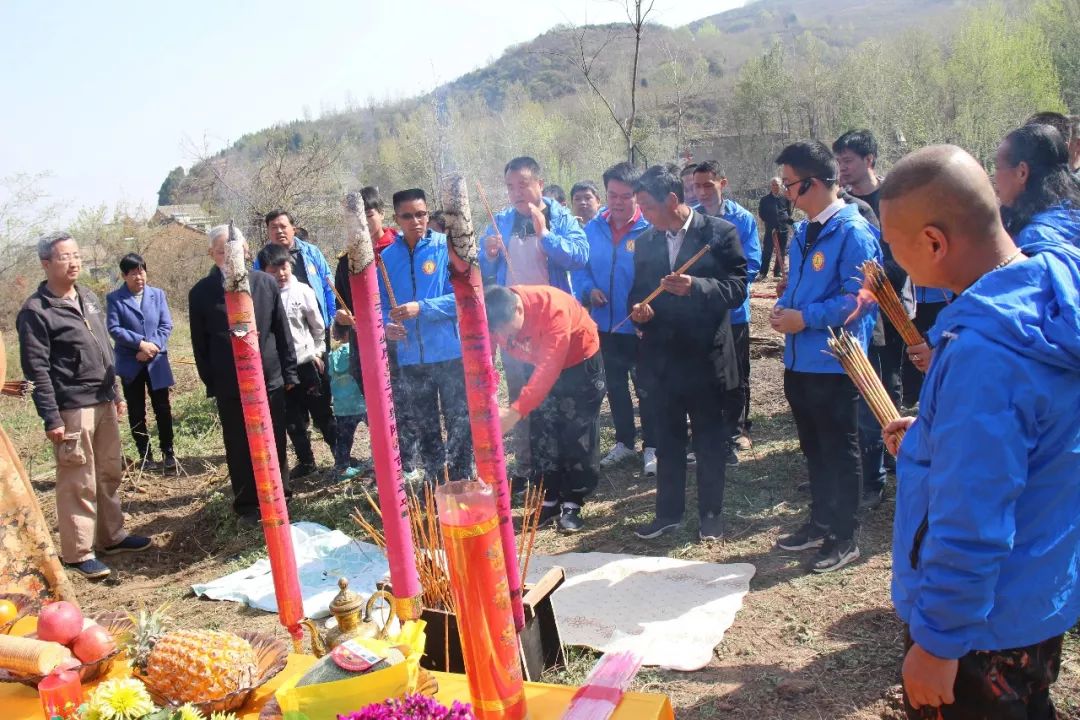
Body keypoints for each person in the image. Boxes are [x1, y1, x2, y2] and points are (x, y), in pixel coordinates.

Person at [879, 144, 1080, 719]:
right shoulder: (1046, 293)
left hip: (979, 630)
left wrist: (938, 643)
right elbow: (1031, 442)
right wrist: (935, 432)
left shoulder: (986, 353)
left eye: (895, 246)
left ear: (934, 242)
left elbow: (973, 519)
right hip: (1035, 596)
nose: (895, 262)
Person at [770, 141, 881, 573]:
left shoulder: (853, 232)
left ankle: (844, 536)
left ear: (812, 183)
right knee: (814, 448)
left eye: (791, 185)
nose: (787, 194)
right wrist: (787, 306)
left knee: (840, 451)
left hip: (836, 362)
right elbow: (806, 287)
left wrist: (806, 317)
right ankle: (819, 521)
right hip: (800, 361)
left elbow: (862, 299)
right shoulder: (804, 232)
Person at [17, 231, 152, 579]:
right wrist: (51, 417)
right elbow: (37, 369)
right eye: (65, 257)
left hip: (104, 398)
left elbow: (104, 349)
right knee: (79, 478)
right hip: (72, 406)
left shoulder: (87, 297)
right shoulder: (36, 311)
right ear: (46, 263)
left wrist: (117, 394)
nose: (74, 261)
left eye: (76, 254)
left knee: (108, 472)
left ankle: (112, 536)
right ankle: (78, 551)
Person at [628, 165, 747, 543]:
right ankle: (668, 513)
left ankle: (711, 514)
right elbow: (638, 291)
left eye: (647, 206)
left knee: (710, 439)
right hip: (663, 359)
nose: (643, 214)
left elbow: (738, 288)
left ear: (673, 200)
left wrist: (696, 286)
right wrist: (641, 312)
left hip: (706, 356)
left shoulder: (719, 233)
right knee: (667, 438)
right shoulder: (646, 242)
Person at [480, 156, 589, 490]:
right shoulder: (500, 221)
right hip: (513, 329)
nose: (517, 192)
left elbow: (580, 256)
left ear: (540, 184)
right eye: (510, 186)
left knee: (559, 397)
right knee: (521, 396)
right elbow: (482, 268)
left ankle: (567, 468)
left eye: (523, 184)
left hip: (553, 325)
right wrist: (490, 253)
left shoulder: (559, 217)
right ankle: (529, 469)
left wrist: (546, 235)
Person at [189, 225, 299, 526]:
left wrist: (289, 371)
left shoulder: (264, 283)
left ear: (247, 251)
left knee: (274, 436)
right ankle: (247, 503)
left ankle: (280, 494)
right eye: (223, 251)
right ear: (213, 253)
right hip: (230, 382)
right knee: (238, 443)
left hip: (269, 375)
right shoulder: (201, 293)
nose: (230, 256)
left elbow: (281, 331)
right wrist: (212, 382)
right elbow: (200, 345)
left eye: (236, 250)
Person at [486, 284, 605, 532]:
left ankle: (573, 501)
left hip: (577, 362)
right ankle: (549, 499)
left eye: (509, 332)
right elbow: (486, 352)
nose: (507, 338)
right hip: (537, 361)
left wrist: (515, 412)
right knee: (542, 431)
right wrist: (488, 392)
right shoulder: (494, 313)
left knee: (576, 431)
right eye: (500, 332)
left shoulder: (553, 309)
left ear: (519, 309)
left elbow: (550, 366)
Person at [833, 129, 911, 508]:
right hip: (856, 314)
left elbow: (903, 259)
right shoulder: (840, 203)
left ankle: (887, 465)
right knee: (860, 391)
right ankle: (868, 467)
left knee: (887, 384)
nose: (842, 168)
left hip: (891, 308)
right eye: (839, 162)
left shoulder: (891, 200)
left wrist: (876, 276)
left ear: (869, 160)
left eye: (848, 160)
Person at [380, 188, 473, 484]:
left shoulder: (445, 248)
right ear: (396, 218)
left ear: (428, 212)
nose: (415, 221)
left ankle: (462, 479)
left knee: (459, 421)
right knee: (425, 425)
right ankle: (436, 482)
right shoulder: (385, 258)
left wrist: (421, 308)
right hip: (410, 357)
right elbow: (379, 305)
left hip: (448, 352)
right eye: (407, 216)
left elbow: (460, 300)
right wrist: (386, 325)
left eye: (420, 214)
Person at [571, 162, 655, 475]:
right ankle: (624, 442)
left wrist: (646, 309)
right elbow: (580, 269)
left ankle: (653, 446)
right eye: (612, 195)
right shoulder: (593, 229)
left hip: (641, 326)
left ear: (637, 196)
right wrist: (589, 289)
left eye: (626, 196)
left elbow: (657, 277)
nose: (618, 202)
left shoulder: (649, 229)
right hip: (604, 324)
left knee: (646, 387)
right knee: (615, 385)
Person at [333, 186, 416, 476]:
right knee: (375, 400)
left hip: (400, 338)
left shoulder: (399, 249)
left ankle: (408, 460)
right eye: (355, 220)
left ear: (381, 214)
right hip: (364, 344)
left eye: (369, 215)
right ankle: (387, 456)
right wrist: (341, 316)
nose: (364, 224)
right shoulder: (347, 261)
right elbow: (341, 300)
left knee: (404, 399)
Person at [693, 161, 761, 459]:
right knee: (705, 373)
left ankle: (738, 430)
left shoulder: (742, 219)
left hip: (733, 312)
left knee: (736, 374)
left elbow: (752, 265)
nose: (703, 192)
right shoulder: (692, 219)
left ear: (723, 183)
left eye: (708, 184)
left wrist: (716, 285)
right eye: (697, 186)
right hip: (700, 313)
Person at [258, 242, 336, 480]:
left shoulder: (303, 291)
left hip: (306, 363)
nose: (281, 274)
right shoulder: (260, 296)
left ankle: (340, 456)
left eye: (284, 268)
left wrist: (318, 351)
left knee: (322, 413)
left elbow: (317, 327)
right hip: (279, 369)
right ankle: (307, 461)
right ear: (263, 272)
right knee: (292, 420)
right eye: (274, 270)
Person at [105, 253, 176, 472]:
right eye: (133, 273)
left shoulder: (157, 295)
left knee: (162, 408)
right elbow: (114, 329)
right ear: (124, 275)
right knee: (137, 410)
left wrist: (151, 346)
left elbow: (166, 325)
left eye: (142, 271)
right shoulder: (115, 299)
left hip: (156, 361)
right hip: (131, 362)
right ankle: (145, 454)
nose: (139, 277)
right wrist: (139, 345)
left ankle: (168, 452)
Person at [994, 123, 1080, 250]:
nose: (994, 178)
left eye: (998, 167)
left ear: (1021, 172)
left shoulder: (1032, 242)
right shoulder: (1071, 216)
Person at [256, 209, 337, 331]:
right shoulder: (262, 258)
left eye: (283, 226)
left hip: (316, 322)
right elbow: (258, 291)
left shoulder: (311, 252)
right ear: (268, 231)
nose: (279, 231)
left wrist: (334, 317)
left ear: (293, 229)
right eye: (274, 227)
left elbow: (328, 286)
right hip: (281, 326)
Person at [327, 341, 367, 481]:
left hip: (342, 406)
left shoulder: (332, 354)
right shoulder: (355, 350)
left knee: (344, 438)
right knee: (378, 433)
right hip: (361, 402)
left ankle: (342, 468)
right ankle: (382, 461)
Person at [758, 177, 793, 279]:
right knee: (767, 251)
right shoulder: (764, 200)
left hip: (783, 228)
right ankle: (763, 273)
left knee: (782, 251)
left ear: (781, 185)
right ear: (770, 186)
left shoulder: (785, 198)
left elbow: (788, 212)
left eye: (777, 185)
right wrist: (771, 223)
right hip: (771, 229)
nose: (775, 187)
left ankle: (777, 272)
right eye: (773, 185)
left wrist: (786, 221)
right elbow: (761, 214)